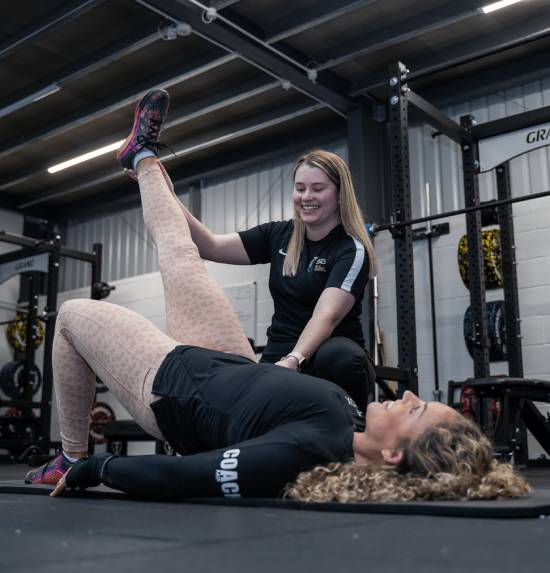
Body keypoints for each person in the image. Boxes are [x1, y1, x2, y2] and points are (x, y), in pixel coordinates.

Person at [25, 89, 529, 503]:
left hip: (173, 384)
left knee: (69, 315)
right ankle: (143, 156)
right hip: (235, 364)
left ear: (394, 455)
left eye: (417, 410)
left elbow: (191, 477)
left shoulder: (307, 447)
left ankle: (68, 455)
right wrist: (170, 202)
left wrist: (99, 466)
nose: (412, 396)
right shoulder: (345, 424)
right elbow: (209, 245)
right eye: (300, 188)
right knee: (179, 249)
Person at [145, 118, 377, 409]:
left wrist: (292, 361)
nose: (306, 197)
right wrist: (162, 189)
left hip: (326, 357)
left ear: (339, 194)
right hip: (279, 354)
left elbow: (326, 316)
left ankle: (351, 426)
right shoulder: (279, 235)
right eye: (300, 188)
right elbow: (209, 245)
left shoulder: (350, 249)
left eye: (318, 188)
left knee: (340, 356)